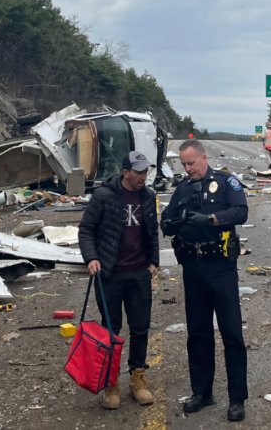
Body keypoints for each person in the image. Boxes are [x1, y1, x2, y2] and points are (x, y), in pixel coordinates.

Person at [160, 139, 249, 422]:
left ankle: (237, 398)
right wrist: (170, 224)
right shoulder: (182, 189)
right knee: (198, 333)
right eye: (184, 165)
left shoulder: (225, 182)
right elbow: (167, 218)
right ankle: (202, 391)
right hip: (193, 267)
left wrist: (210, 219)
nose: (188, 169)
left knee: (232, 333)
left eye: (191, 163)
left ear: (204, 158)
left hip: (221, 267)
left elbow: (241, 212)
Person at [77, 150, 160, 410]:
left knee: (140, 327)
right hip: (110, 274)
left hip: (139, 274)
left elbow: (152, 231)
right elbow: (86, 230)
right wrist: (91, 257)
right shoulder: (104, 196)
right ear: (126, 172)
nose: (143, 177)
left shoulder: (148, 197)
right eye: (139, 172)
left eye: (146, 172)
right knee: (111, 329)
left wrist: (153, 261)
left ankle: (138, 379)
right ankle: (110, 383)